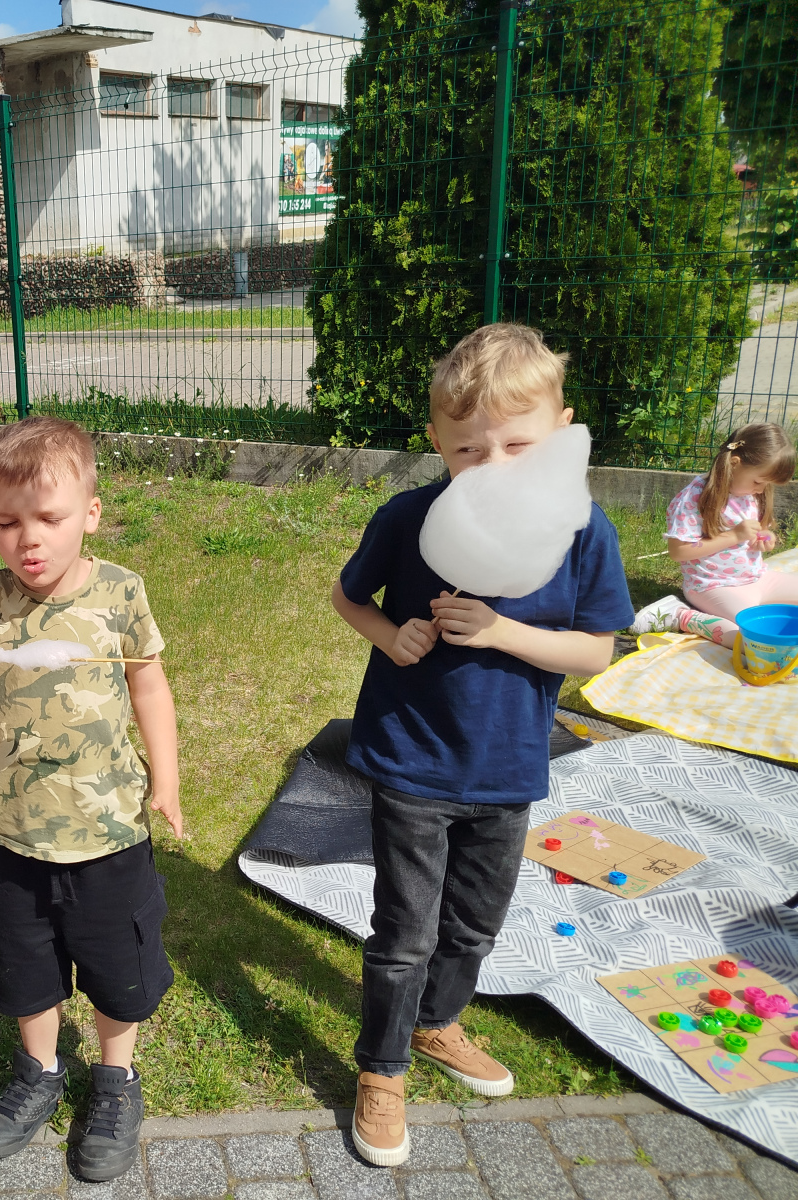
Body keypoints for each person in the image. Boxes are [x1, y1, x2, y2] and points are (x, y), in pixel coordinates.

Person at [330, 324, 634, 1167]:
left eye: (517, 446)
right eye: (468, 450)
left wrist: (500, 630)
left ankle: (437, 1024)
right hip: (412, 757)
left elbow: (595, 652)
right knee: (405, 932)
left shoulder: (583, 532)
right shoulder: (408, 519)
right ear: (437, 444)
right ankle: (382, 1070)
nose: (492, 465)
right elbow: (348, 598)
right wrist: (392, 638)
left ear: (562, 433)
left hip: (506, 766)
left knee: (473, 925)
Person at [0, 417, 184, 1184]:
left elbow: (148, 686)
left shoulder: (121, 591)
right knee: (26, 965)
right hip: (10, 832)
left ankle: (115, 1079)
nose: (28, 540)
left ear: (90, 513)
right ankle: (40, 1071)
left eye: (49, 519)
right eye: (6, 523)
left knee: (117, 965)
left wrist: (166, 778)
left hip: (107, 831)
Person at [629, 423, 798, 648]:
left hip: (758, 578)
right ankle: (682, 615)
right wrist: (733, 536)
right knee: (756, 642)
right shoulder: (696, 497)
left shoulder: (752, 493)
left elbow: (761, 529)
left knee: (769, 634)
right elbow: (678, 551)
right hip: (712, 586)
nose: (761, 489)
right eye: (759, 482)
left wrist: (765, 538)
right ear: (734, 463)